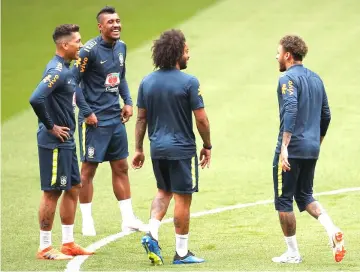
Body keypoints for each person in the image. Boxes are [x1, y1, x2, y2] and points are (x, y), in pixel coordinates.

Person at [132, 29, 211, 265]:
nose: (189, 56)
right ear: (177, 53)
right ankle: (182, 253)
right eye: (186, 51)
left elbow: (141, 119)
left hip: (157, 149)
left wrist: (138, 149)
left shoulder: (147, 81)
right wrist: (207, 144)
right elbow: (201, 119)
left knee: (163, 191)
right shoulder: (189, 82)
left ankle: (152, 233)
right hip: (181, 150)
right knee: (182, 199)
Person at [272, 34, 346, 263]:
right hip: (311, 147)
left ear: (287, 55)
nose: (276, 57)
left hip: (291, 149)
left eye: (278, 53)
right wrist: (317, 141)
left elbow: (291, 108)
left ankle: (293, 253)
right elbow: (327, 115)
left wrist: (285, 146)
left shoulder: (287, 79)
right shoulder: (316, 79)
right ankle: (332, 230)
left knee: (284, 200)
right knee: (305, 195)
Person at [72, 6, 144, 236]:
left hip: (115, 118)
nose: (116, 25)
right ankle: (87, 221)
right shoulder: (88, 51)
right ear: (100, 26)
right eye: (110, 22)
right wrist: (87, 112)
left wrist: (128, 102)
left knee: (121, 166)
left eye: (118, 21)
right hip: (94, 121)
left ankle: (128, 219)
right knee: (88, 170)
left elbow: (120, 76)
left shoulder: (121, 47)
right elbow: (74, 83)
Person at [29, 24, 94, 260]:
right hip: (54, 142)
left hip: (67, 141)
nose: (81, 44)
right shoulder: (56, 70)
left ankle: (68, 243)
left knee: (73, 187)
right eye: (78, 41)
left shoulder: (67, 68)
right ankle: (45, 247)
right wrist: (51, 126)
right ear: (64, 45)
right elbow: (36, 98)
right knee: (52, 192)